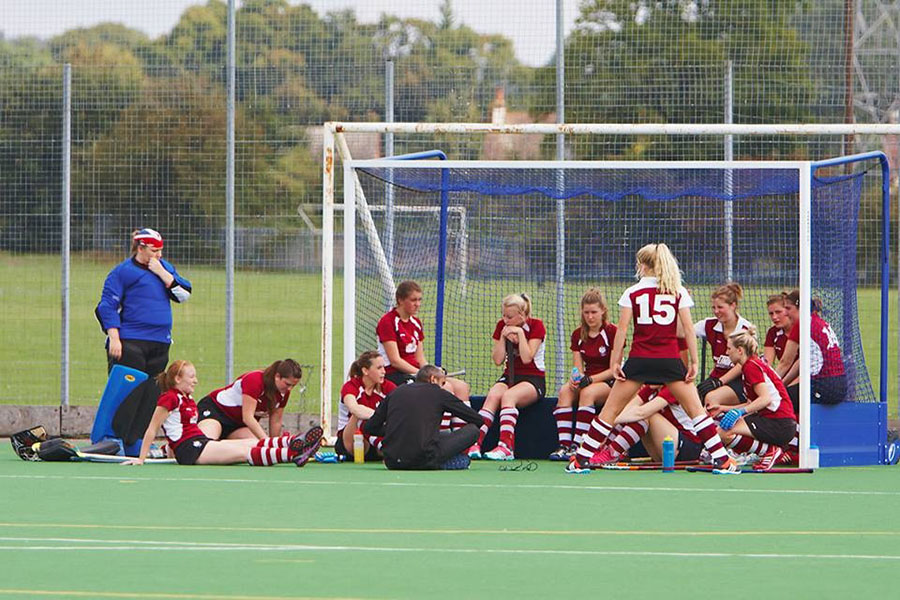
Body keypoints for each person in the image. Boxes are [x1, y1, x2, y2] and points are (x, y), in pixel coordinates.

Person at [567, 243, 737, 474]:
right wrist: (694, 362)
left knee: (610, 411)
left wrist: (615, 362)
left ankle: (582, 459)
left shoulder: (632, 292)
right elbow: (687, 329)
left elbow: (623, 329)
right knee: (696, 410)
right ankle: (722, 460)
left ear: (641, 265)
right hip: (669, 360)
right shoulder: (678, 291)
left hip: (639, 360)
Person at [126, 360, 322, 467]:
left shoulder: (187, 399)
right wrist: (141, 459)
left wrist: (271, 438)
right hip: (200, 435)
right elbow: (152, 428)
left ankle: (294, 443)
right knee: (244, 451)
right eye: (191, 377)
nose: (196, 381)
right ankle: (291, 453)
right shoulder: (170, 398)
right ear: (177, 379)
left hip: (199, 443)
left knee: (251, 443)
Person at [95, 228, 192, 376]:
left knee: (152, 395)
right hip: (131, 341)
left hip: (160, 341)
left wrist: (162, 273)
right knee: (127, 395)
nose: (159, 255)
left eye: (160, 250)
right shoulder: (123, 271)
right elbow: (107, 306)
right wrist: (114, 338)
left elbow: (183, 295)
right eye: (154, 251)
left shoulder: (164, 267)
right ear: (140, 248)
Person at [363, 365, 483, 470]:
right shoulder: (439, 393)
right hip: (425, 459)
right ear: (433, 379)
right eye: (442, 383)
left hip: (392, 462)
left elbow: (369, 427)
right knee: (472, 431)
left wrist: (396, 430)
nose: (442, 386)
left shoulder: (396, 392)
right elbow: (477, 419)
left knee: (441, 436)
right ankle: (446, 463)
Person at [472, 293, 547, 461]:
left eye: (510, 317)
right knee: (493, 395)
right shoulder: (502, 326)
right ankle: (475, 443)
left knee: (508, 396)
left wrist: (520, 334)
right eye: (504, 315)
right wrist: (502, 336)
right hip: (510, 376)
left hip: (533, 379)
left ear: (522, 315)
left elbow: (527, 358)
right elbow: (498, 360)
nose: (505, 320)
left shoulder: (536, 326)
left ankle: (506, 447)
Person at [714, 328, 798, 471]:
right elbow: (752, 403)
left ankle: (768, 451)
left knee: (723, 433)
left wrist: (739, 412)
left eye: (729, 349)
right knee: (723, 430)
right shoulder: (751, 364)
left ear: (740, 350)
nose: (727, 353)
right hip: (776, 421)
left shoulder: (751, 367)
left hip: (779, 423)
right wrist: (723, 408)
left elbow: (765, 399)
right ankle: (766, 451)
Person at [549, 288, 617, 460]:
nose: (590, 317)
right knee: (565, 391)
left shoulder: (612, 332)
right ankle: (564, 445)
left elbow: (613, 370)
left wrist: (590, 379)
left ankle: (579, 445)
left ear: (603, 310)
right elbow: (578, 367)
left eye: (594, 312)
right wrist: (575, 378)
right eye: (586, 312)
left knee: (587, 392)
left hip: (608, 383)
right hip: (588, 379)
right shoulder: (578, 334)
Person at [376, 280, 470, 403]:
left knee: (462, 387)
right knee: (445, 388)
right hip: (396, 375)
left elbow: (420, 359)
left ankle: (464, 423)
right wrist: (423, 374)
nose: (418, 304)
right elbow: (395, 361)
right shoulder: (387, 322)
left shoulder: (416, 323)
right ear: (400, 300)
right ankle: (439, 422)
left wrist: (434, 371)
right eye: (413, 300)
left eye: (420, 300)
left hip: (417, 374)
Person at [197, 359, 302, 441]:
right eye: (287, 384)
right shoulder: (255, 380)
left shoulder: (283, 393)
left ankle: (221, 442)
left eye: (293, 386)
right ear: (277, 376)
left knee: (255, 444)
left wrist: (275, 445)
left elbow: (276, 421)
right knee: (207, 442)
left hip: (238, 426)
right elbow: (248, 418)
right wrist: (268, 443)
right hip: (216, 412)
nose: (289, 389)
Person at [695, 283, 754, 413]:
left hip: (740, 381)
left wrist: (719, 382)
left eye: (720, 307)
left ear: (733, 305)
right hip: (717, 378)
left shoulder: (745, 329)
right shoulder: (709, 324)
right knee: (691, 398)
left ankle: (715, 431)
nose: (716, 311)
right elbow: (683, 332)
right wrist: (682, 307)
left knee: (711, 398)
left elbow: (743, 364)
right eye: (714, 307)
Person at [334, 350, 397, 461]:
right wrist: (379, 417)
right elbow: (354, 408)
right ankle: (383, 446)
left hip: (374, 438)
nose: (384, 371)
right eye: (379, 368)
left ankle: (384, 447)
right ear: (365, 371)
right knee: (359, 415)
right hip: (351, 440)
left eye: (384, 367)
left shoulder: (387, 387)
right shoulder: (351, 386)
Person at [763, 294, 793, 370]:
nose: (774, 317)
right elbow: (767, 363)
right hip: (784, 376)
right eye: (771, 313)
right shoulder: (772, 332)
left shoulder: (802, 330)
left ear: (788, 311)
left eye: (778, 312)